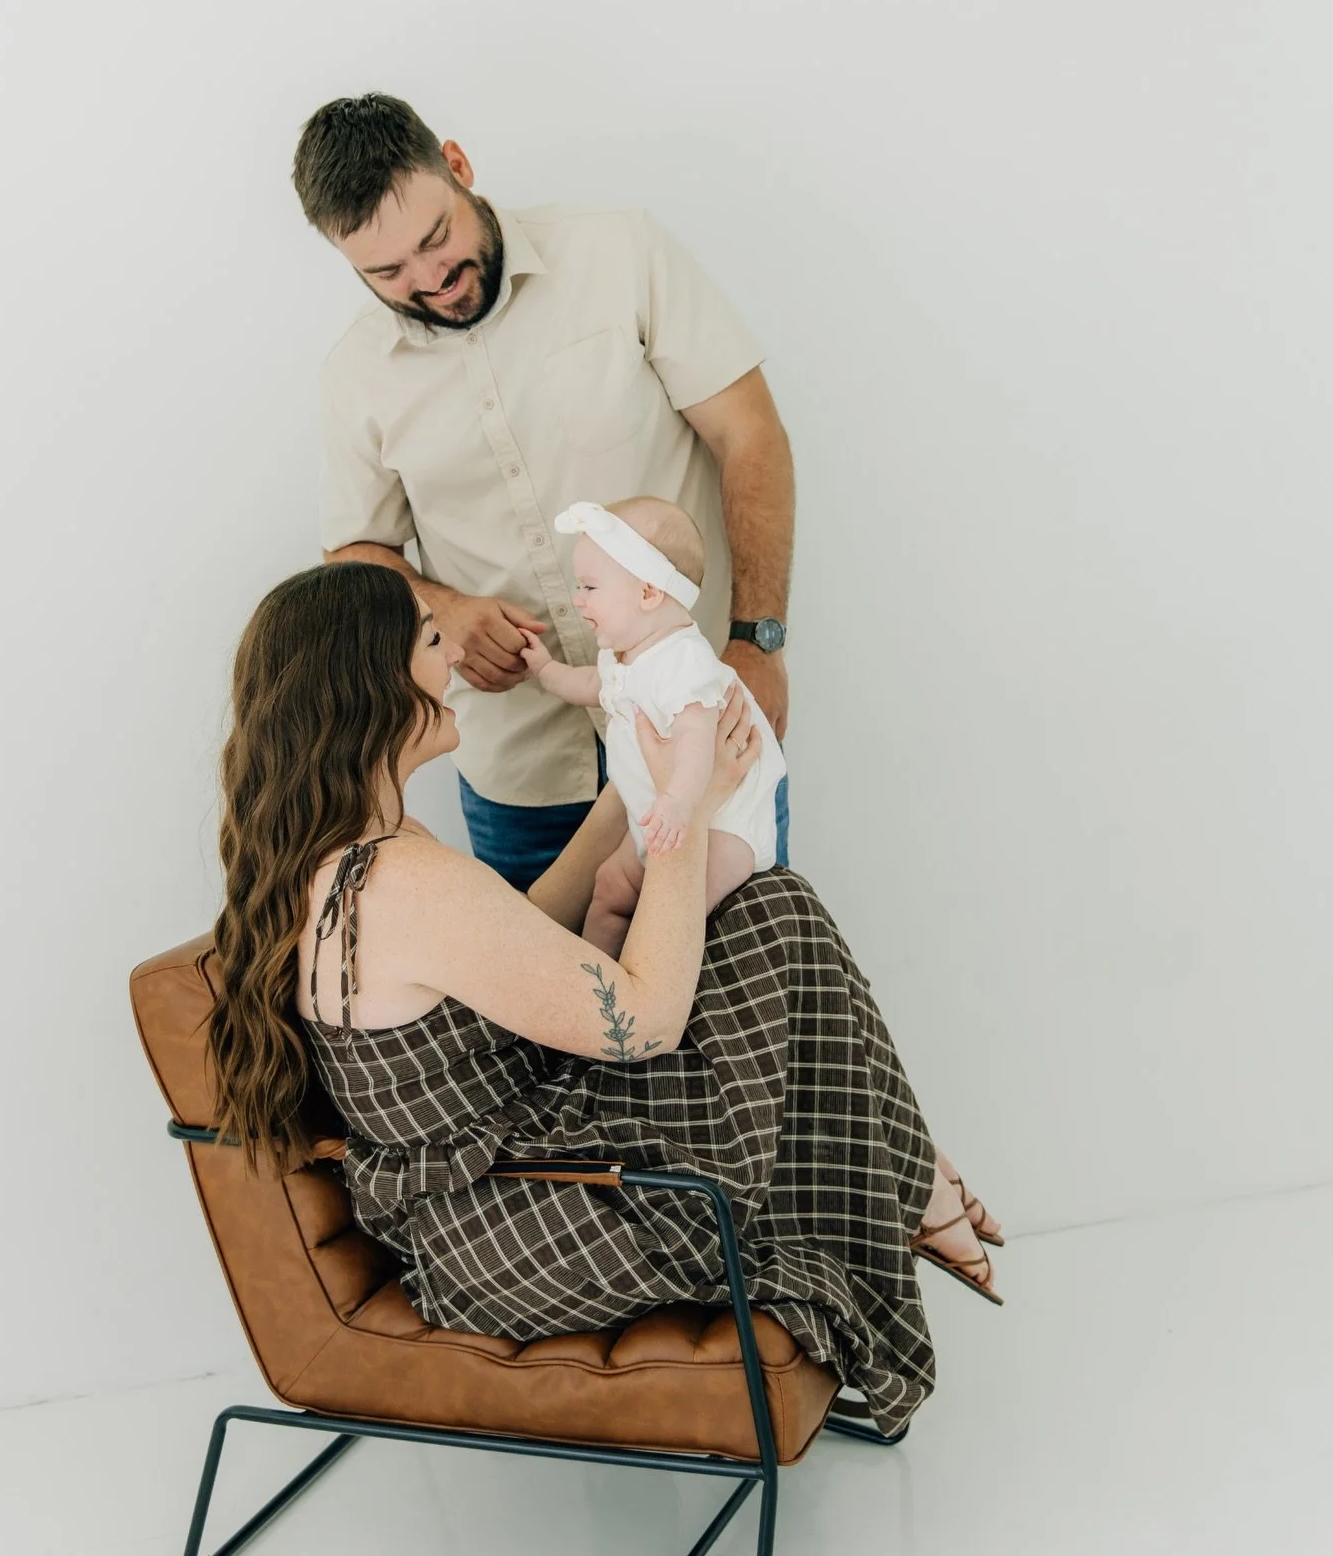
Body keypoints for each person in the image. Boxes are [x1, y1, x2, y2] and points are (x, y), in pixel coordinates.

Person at [205, 563, 1004, 1443]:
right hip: (526, 1224)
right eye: (433, 642)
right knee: (775, 916)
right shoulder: (401, 881)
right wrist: (687, 814)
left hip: (497, 1201)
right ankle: (919, 1185)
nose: (456, 662)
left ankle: (918, 1183)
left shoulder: (363, 854)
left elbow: (520, 941)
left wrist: (641, 784)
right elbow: (649, 1017)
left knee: (770, 913)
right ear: (375, 682)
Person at [294, 93, 794, 890]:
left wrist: (757, 639)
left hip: (702, 729)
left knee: (748, 997)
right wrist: (445, 612)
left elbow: (750, 435)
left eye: (436, 239)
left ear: (457, 166)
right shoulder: (354, 378)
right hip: (522, 773)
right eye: (386, 272)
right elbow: (356, 556)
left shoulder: (618, 251)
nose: (431, 280)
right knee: (551, 1013)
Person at [523, 497, 785, 956]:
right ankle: (599, 990)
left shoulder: (684, 663)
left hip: (720, 826)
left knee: (672, 926)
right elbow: (592, 683)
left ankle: (648, 987)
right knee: (609, 887)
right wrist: (547, 673)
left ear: (648, 593)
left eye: (589, 586)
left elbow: (696, 741)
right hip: (660, 820)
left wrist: (677, 801)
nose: (577, 599)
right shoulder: (627, 657)